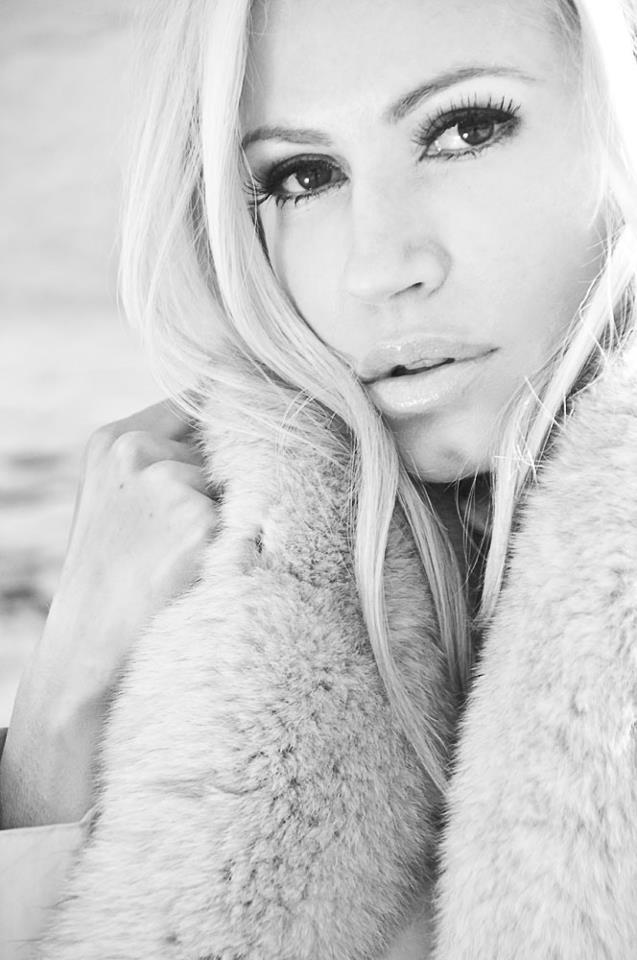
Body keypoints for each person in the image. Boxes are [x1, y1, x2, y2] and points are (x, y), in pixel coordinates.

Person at [1, 0, 636, 956]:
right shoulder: (213, 592)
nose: (377, 267)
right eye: (303, 175)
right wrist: (62, 701)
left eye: (466, 129)